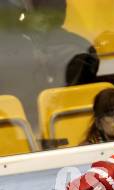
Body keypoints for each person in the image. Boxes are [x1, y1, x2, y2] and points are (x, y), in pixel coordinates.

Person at [0, 0, 99, 132]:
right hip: (17, 127)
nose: (22, 16)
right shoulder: (14, 46)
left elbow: (64, 101)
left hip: (54, 126)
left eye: (27, 11)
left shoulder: (76, 50)